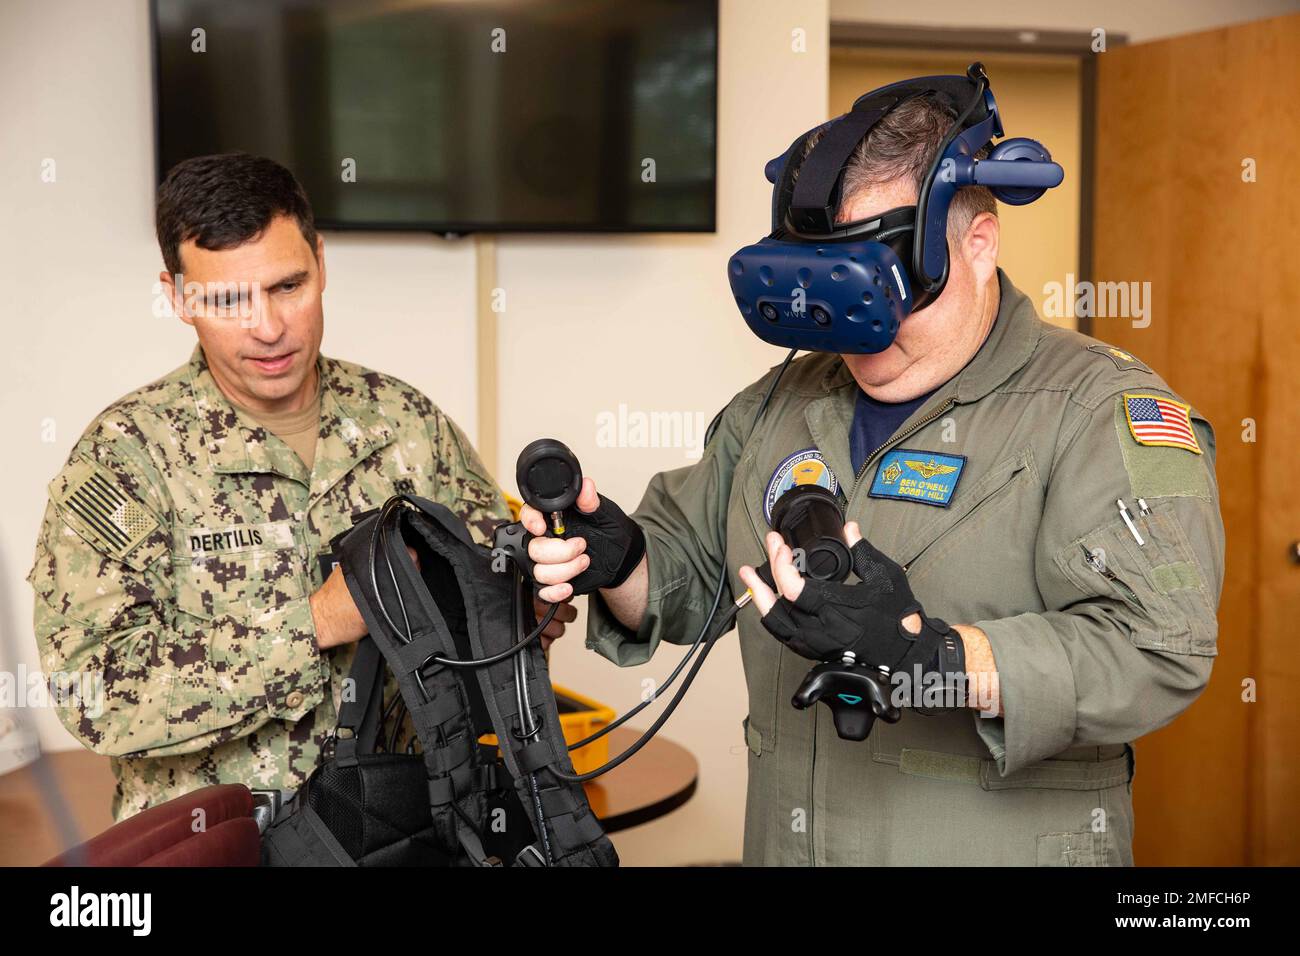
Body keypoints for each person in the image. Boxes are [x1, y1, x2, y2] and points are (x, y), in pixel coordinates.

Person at [522, 93, 1225, 865]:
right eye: (831, 289)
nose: (861, 329)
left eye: (883, 285)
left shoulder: (1096, 411)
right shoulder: (777, 407)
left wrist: (934, 657)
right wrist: (618, 559)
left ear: (980, 243)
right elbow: (682, 584)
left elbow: (1158, 650)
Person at [28, 153, 571, 820]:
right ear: (175, 296)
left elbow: (494, 618)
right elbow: (97, 695)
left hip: (398, 838)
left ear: (321, 261)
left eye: (288, 286)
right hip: (216, 849)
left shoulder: (407, 425)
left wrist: (535, 600)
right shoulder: (124, 462)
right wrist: (317, 622)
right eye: (228, 299)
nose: (268, 326)